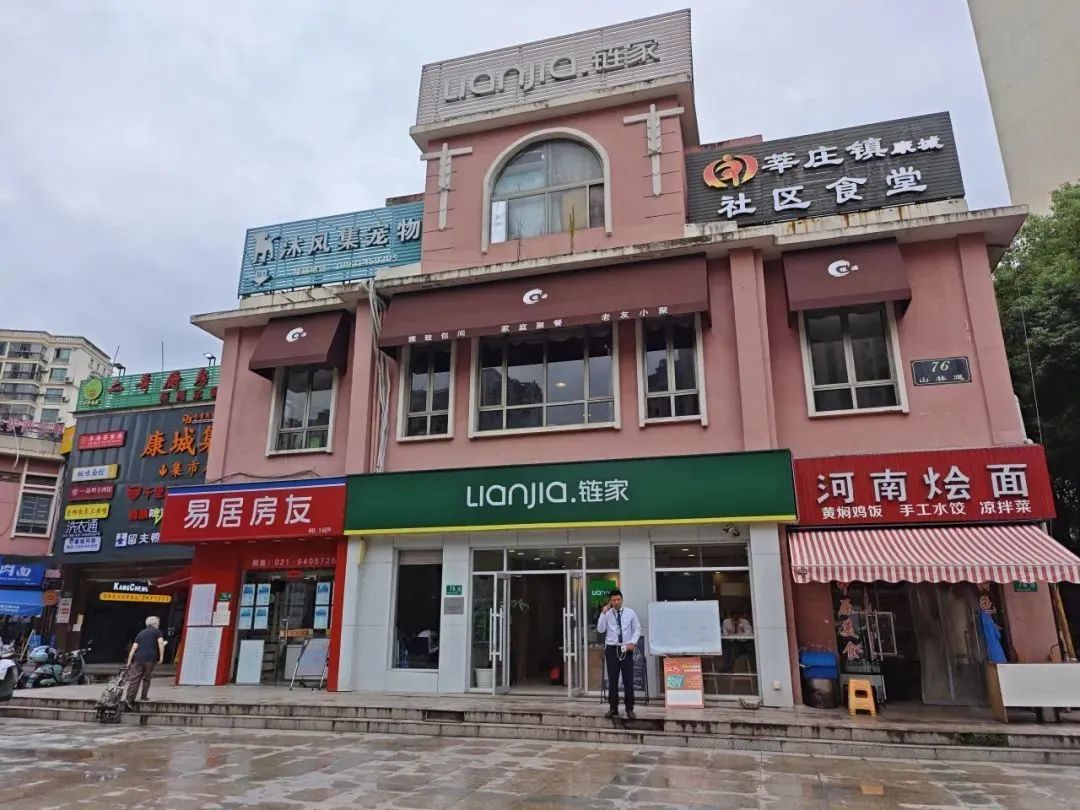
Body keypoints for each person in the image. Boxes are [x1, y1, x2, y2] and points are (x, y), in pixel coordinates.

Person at [597, 589, 641, 720]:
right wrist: (603, 613)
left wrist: (633, 642)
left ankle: (629, 709)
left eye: (618, 599)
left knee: (628, 680)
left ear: (622, 599)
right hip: (612, 649)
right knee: (613, 680)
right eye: (614, 600)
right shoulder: (607, 614)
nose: (616, 602)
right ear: (610, 601)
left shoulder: (630, 613)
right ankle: (613, 708)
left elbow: (637, 629)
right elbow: (600, 629)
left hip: (626, 648)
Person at [125, 616, 165, 710]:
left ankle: (129, 699)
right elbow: (161, 643)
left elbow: (134, 647)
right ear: (155, 624)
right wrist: (161, 656)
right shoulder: (157, 632)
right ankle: (143, 696)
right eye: (158, 623)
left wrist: (129, 660)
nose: (158, 625)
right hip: (150, 659)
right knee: (147, 677)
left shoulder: (141, 633)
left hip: (138, 659)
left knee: (135, 679)